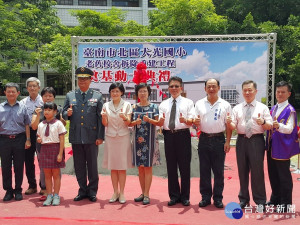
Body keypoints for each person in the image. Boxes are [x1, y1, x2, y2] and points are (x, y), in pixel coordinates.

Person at [227, 80, 272, 209]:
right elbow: (233, 126)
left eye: (250, 90)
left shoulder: (262, 107)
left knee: (257, 172)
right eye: (245, 90)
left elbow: (269, 126)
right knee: (242, 171)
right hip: (241, 140)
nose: (247, 92)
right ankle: (243, 199)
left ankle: (260, 201)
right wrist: (229, 122)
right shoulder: (237, 108)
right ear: (242, 92)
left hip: (256, 140)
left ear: (255, 91)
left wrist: (262, 121)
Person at [62, 66, 105, 202]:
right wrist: (66, 114)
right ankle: (82, 190)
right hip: (76, 137)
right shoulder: (70, 95)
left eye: (85, 79)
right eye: (80, 79)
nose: (82, 82)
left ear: (90, 80)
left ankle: (92, 192)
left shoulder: (97, 96)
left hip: (91, 137)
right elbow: (63, 114)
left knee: (92, 166)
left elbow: (100, 118)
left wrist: (100, 136)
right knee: (79, 166)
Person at [194, 78, 232, 209]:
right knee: (204, 170)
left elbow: (229, 125)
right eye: (209, 86)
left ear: (218, 88)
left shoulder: (225, 104)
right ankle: (205, 197)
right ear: (205, 89)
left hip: (219, 140)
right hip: (204, 139)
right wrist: (196, 123)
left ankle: (218, 198)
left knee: (218, 171)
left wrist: (227, 141)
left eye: (214, 86)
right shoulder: (199, 103)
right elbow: (195, 122)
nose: (211, 89)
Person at [159, 76, 195, 206]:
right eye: (171, 86)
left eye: (176, 86)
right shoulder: (163, 104)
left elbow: (191, 120)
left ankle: (185, 196)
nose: (174, 88)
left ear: (181, 88)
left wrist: (185, 120)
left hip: (183, 135)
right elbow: (160, 122)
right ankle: (174, 196)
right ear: (168, 88)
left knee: (185, 167)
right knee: (171, 167)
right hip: (169, 136)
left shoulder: (188, 103)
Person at [265, 81, 300, 211]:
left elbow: (290, 129)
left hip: (283, 147)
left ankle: (286, 203)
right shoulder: (273, 108)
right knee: (272, 174)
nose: (279, 94)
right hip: (271, 145)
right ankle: (275, 199)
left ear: (289, 94)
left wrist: (278, 126)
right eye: (278, 91)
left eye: (283, 92)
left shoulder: (290, 110)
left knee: (284, 176)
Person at [130, 83, 164, 205]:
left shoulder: (154, 107)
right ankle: (143, 192)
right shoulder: (133, 107)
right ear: (137, 94)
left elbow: (159, 123)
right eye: (140, 91)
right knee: (140, 168)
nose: (142, 93)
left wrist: (149, 120)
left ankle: (147, 194)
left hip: (150, 140)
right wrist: (135, 122)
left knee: (148, 167)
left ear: (149, 93)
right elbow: (129, 123)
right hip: (137, 141)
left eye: (145, 91)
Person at [31, 87, 66, 201]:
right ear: (42, 97)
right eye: (45, 95)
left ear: (54, 97)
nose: (48, 97)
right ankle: (46, 191)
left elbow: (63, 126)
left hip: (55, 145)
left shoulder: (58, 110)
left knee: (56, 171)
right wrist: (37, 116)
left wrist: (60, 119)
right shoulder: (38, 110)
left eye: (50, 95)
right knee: (44, 170)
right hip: (43, 145)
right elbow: (35, 127)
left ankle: (56, 194)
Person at [101, 82, 132, 204]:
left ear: (122, 92)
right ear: (110, 93)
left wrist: (124, 117)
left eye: (117, 91)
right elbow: (105, 124)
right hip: (110, 137)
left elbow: (128, 123)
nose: (114, 93)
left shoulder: (127, 105)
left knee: (122, 167)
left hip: (123, 137)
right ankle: (115, 192)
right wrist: (103, 117)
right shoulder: (106, 105)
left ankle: (122, 192)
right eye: (112, 91)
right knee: (113, 167)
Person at [0, 83, 31, 201]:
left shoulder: (23, 107)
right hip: (4, 140)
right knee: (6, 166)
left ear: (18, 93)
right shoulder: (0, 107)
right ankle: (8, 191)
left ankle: (18, 190)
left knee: (19, 166)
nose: (11, 93)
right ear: (5, 93)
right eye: (8, 91)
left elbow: (27, 124)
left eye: (13, 91)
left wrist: (28, 139)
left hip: (19, 139)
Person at [37, 102, 67, 206]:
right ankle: (49, 195)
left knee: (56, 174)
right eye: (45, 110)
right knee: (47, 175)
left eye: (49, 110)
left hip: (55, 149)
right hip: (44, 150)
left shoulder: (58, 123)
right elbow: (39, 137)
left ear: (55, 112)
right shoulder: (41, 124)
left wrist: (60, 154)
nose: (47, 112)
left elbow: (62, 140)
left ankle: (56, 195)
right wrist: (39, 139)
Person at [20, 77, 43, 195]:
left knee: (42, 159)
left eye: (35, 86)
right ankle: (32, 185)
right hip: (28, 133)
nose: (32, 88)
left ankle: (43, 186)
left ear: (39, 87)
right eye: (30, 86)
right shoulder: (23, 102)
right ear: (27, 88)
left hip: (42, 132)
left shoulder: (43, 100)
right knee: (28, 160)